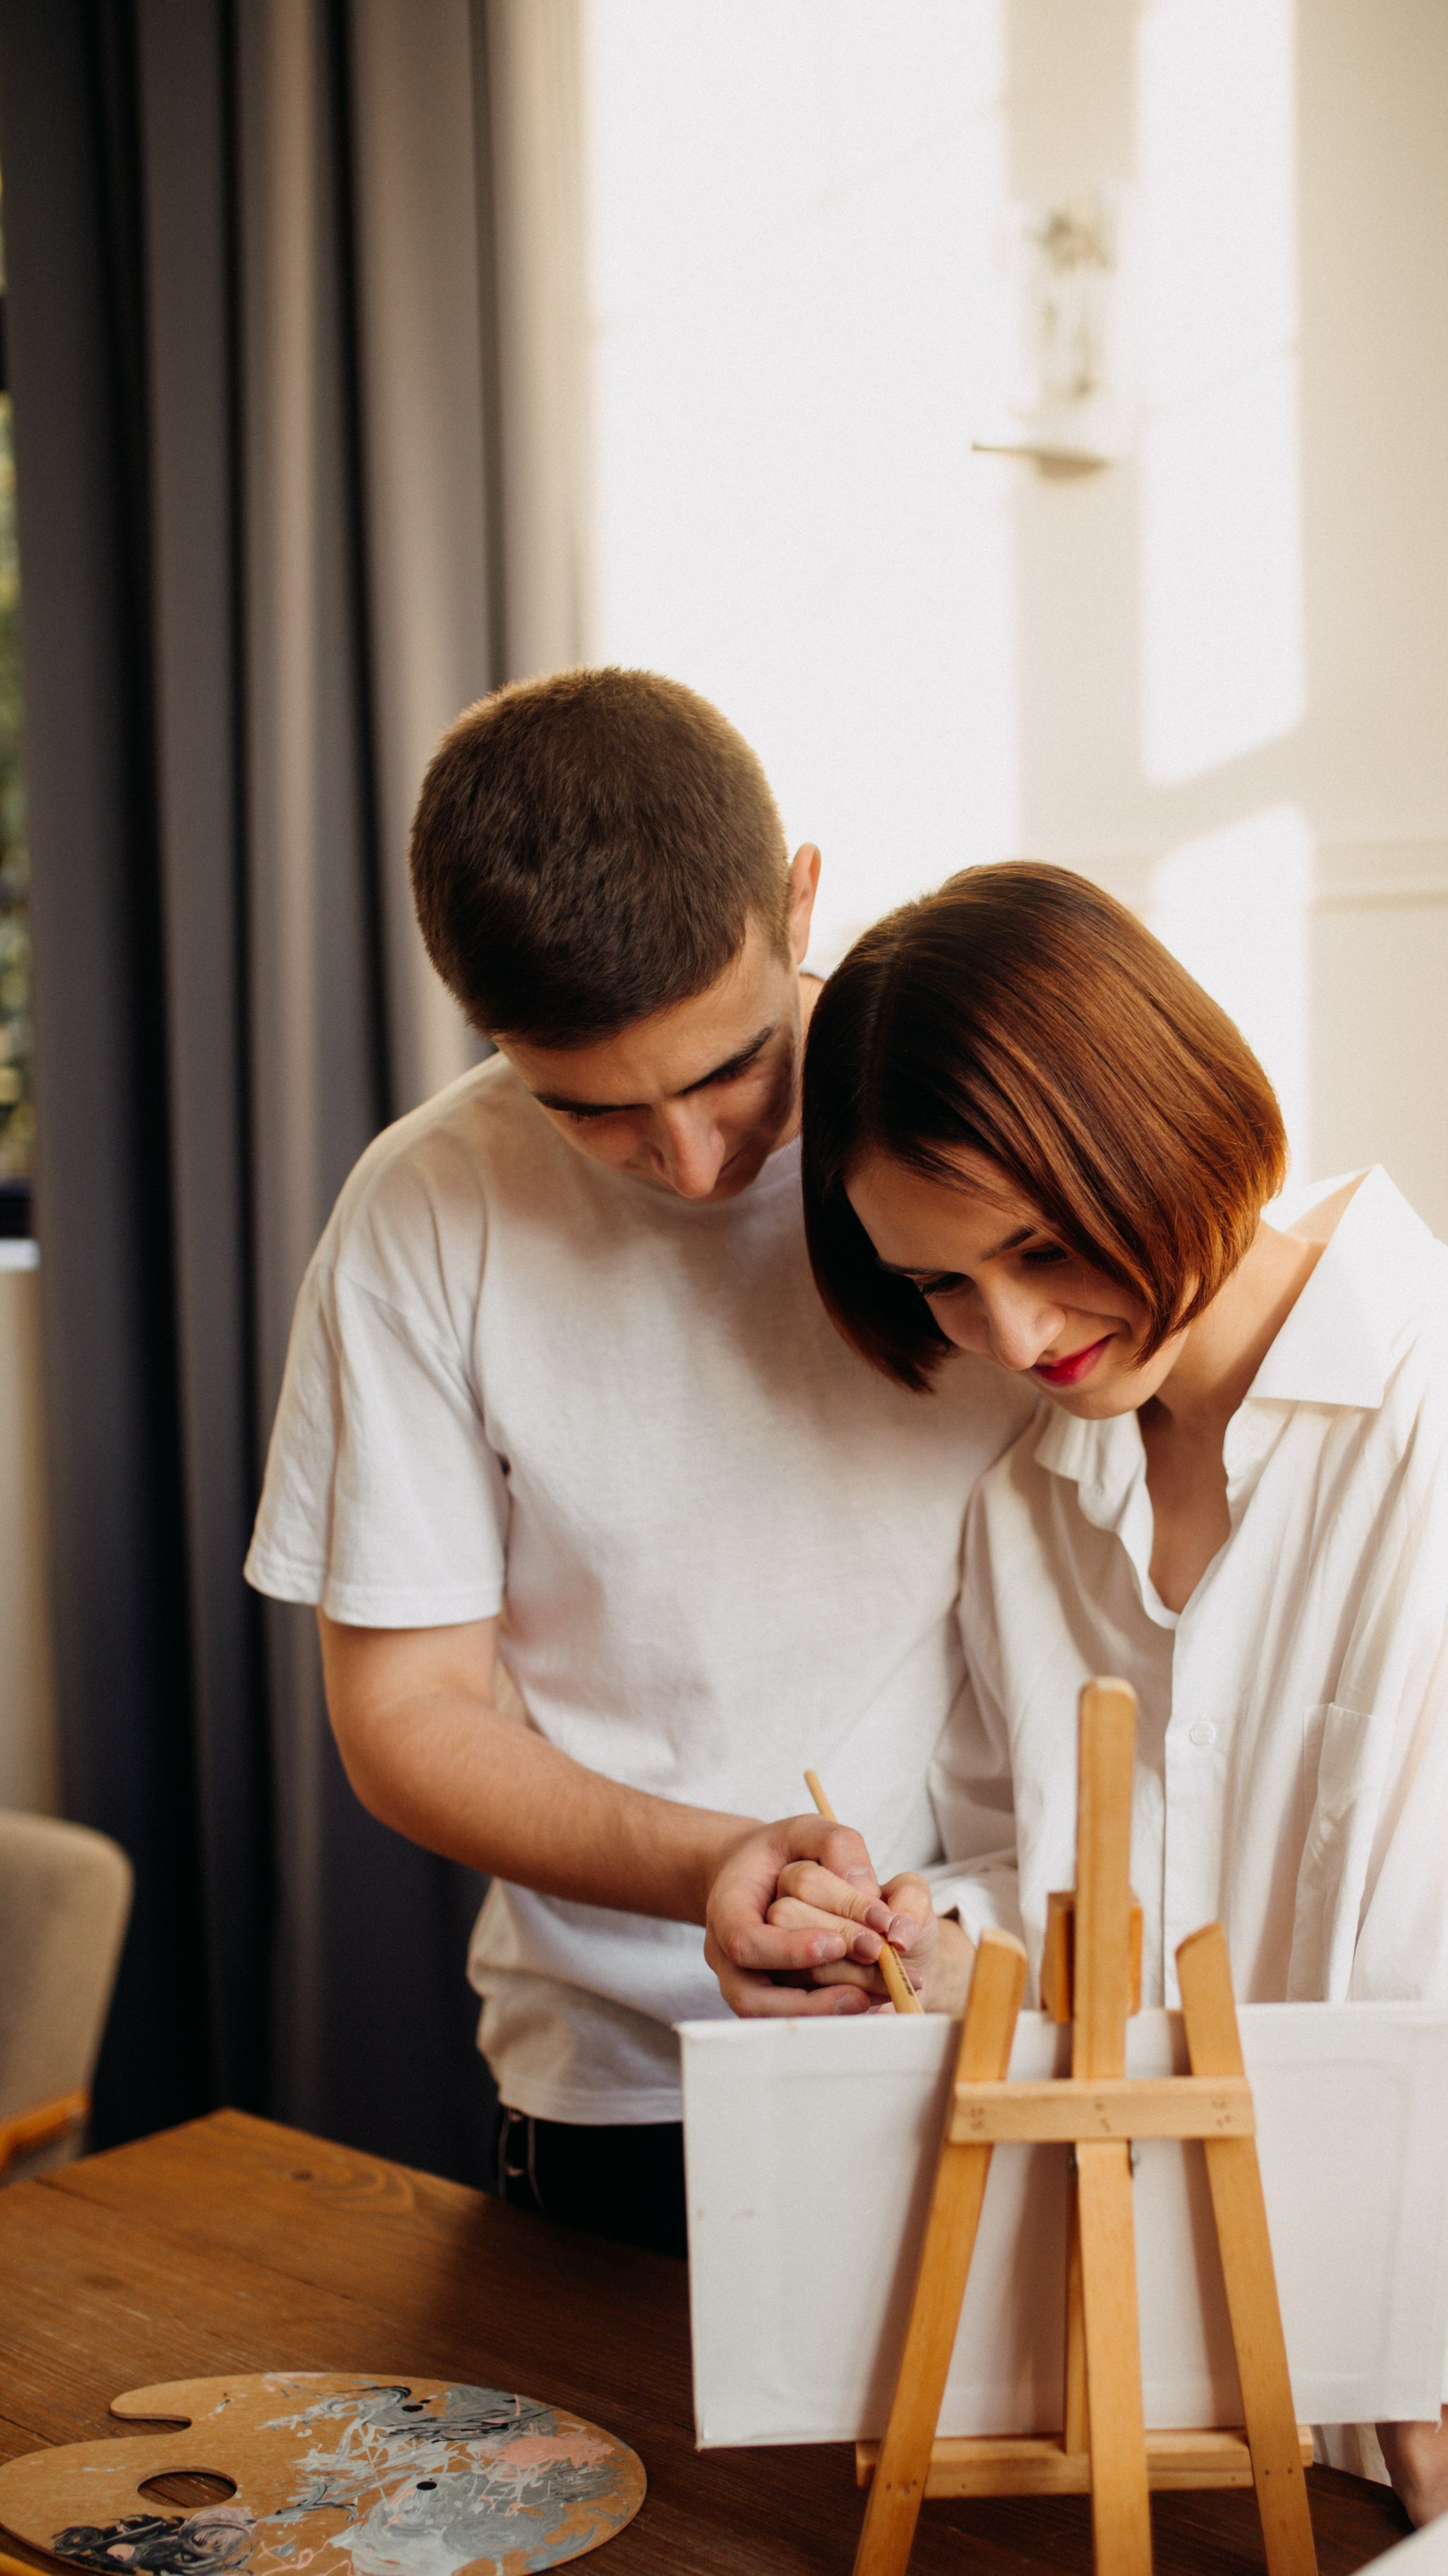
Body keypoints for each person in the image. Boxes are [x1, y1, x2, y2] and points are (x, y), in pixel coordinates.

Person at [787, 860, 1448, 2525]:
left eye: (1037, 1247)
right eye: (939, 1283)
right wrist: (894, 1934)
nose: (1015, 1330)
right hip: (1091, 2353)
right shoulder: (1029, 1493)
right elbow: (1036, 1888)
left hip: (1381, 2394)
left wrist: (1433, 2396)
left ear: (1161, 1127)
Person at [244, 671, 1027, 2254]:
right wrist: (713, 1866)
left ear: (799, 895)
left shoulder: (985, 1143)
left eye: (728, 1070)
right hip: (617, 2094)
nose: (688, 1161)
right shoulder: (423, 1212)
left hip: (1005, 2036)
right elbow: (404, 1716)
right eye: (590, 1111)